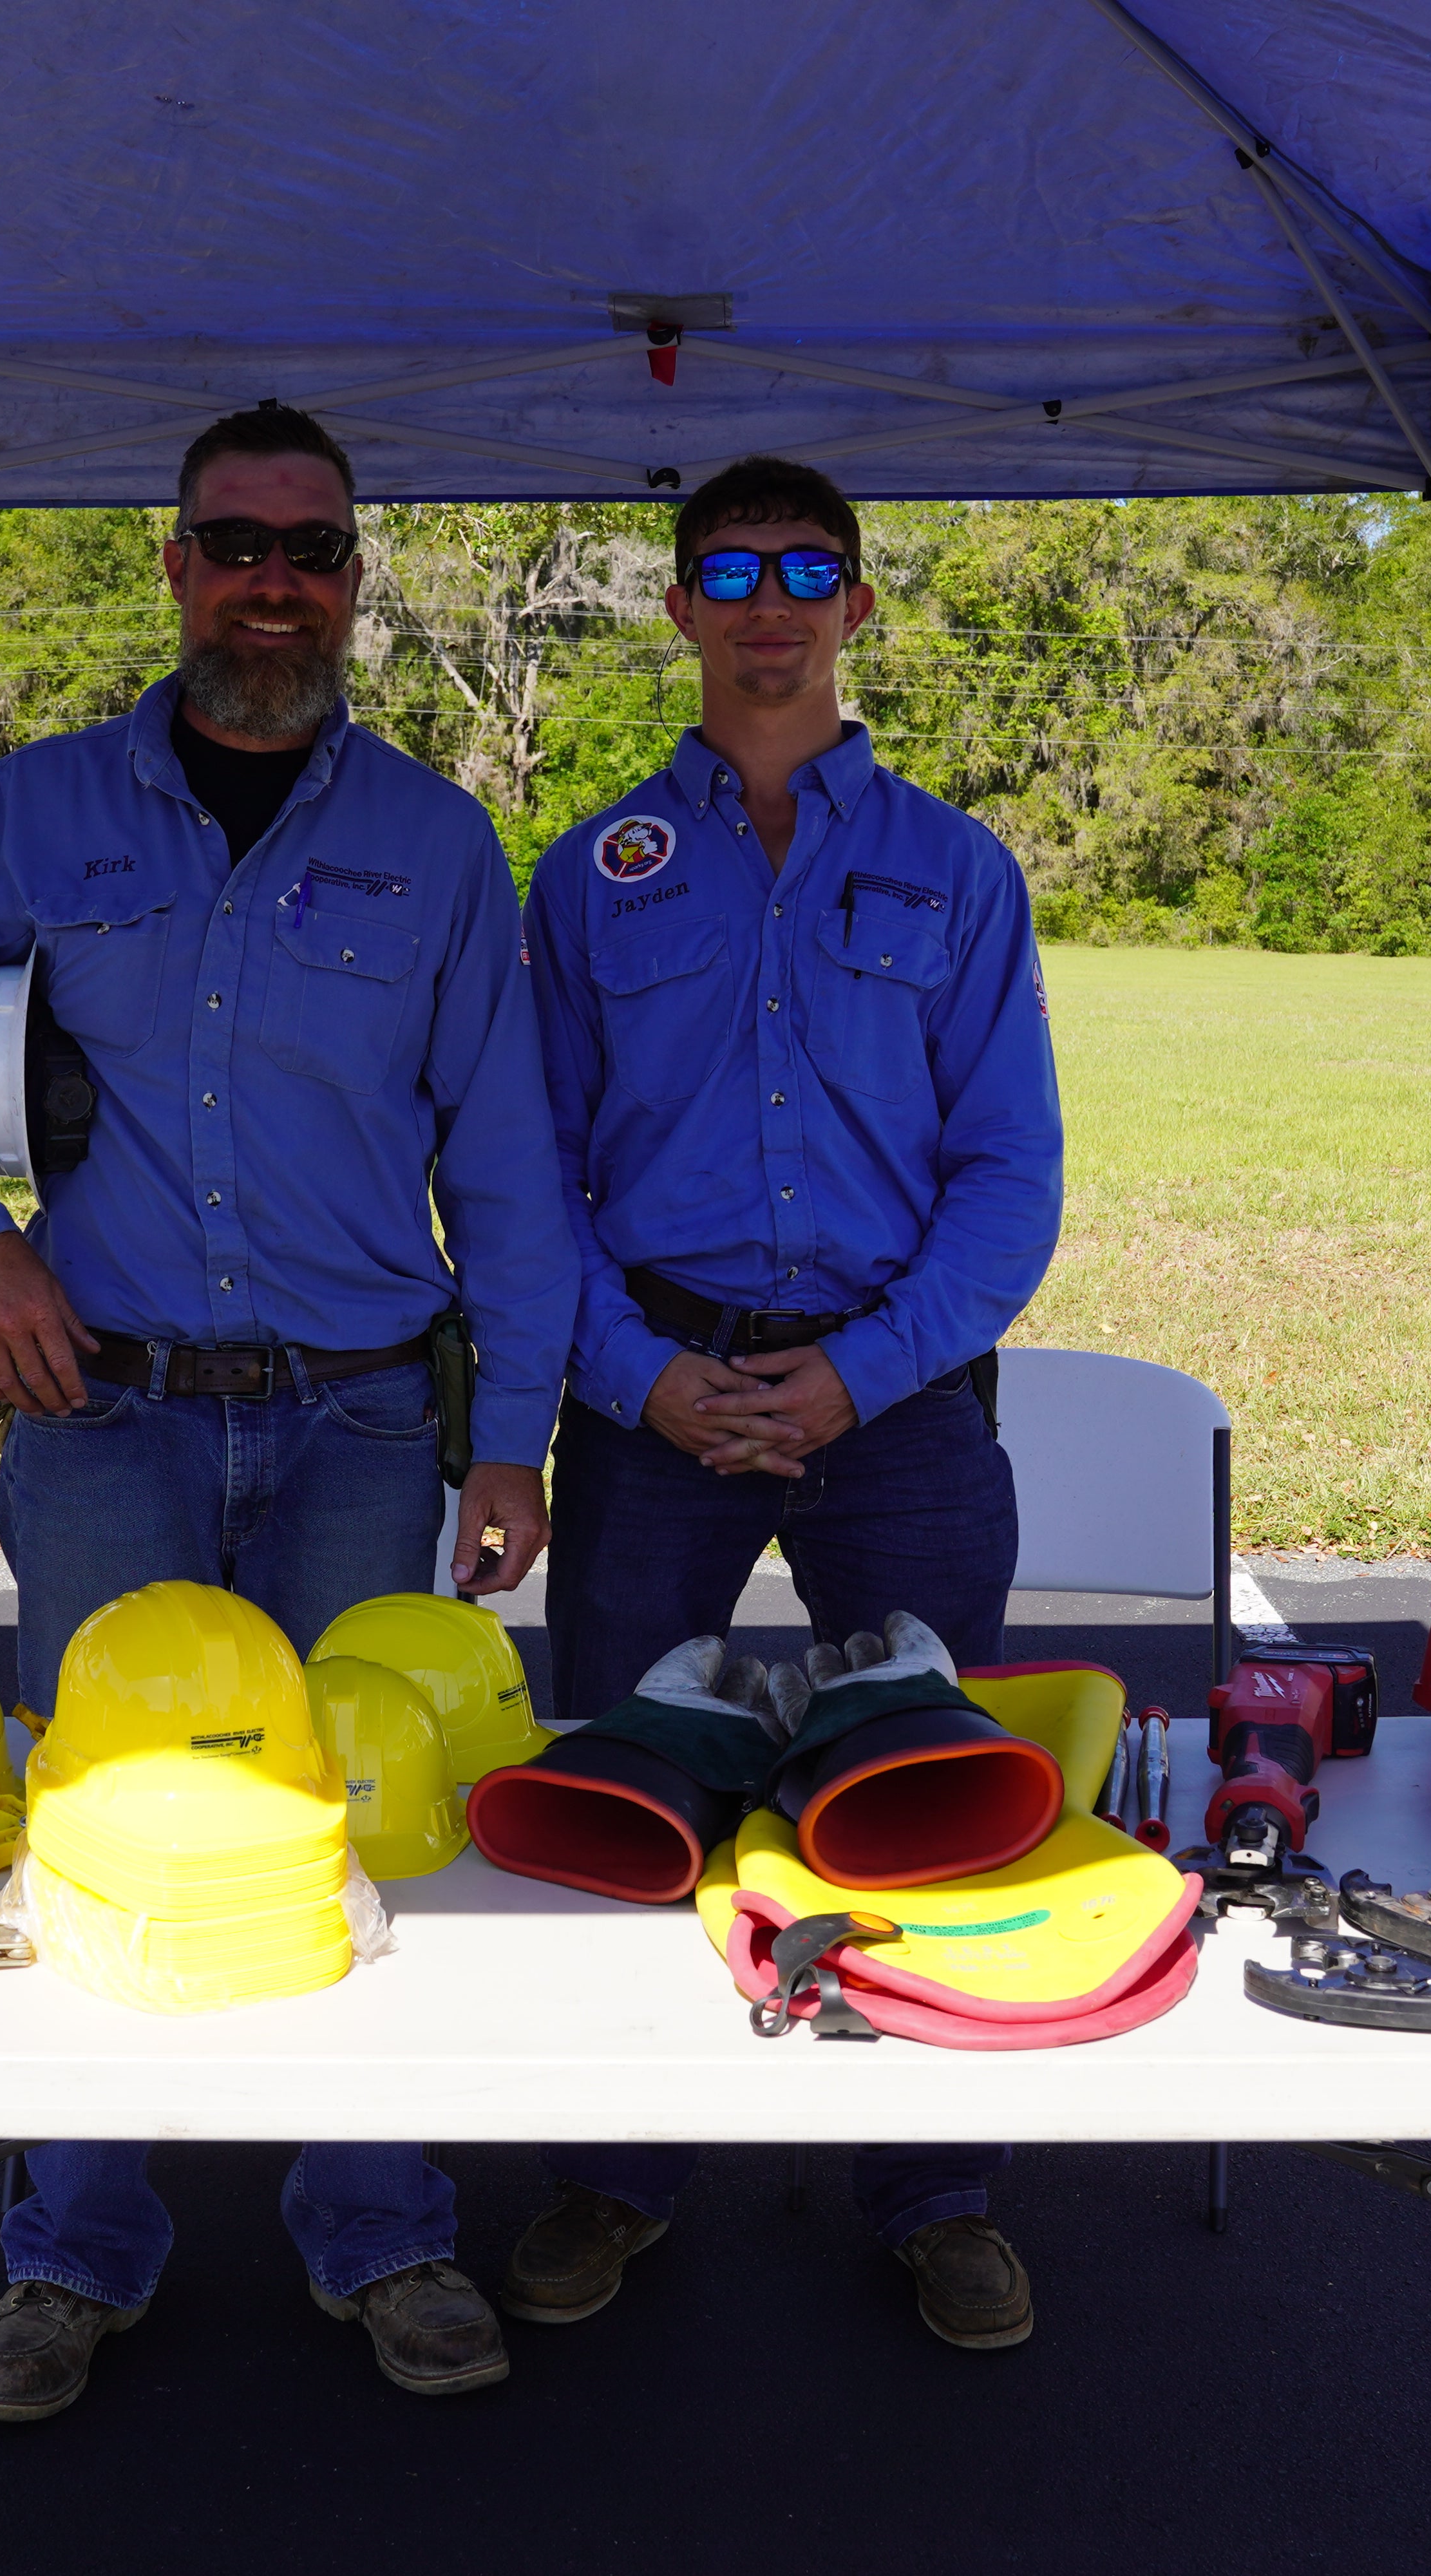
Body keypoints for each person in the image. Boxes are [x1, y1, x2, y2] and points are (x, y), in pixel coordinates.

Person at [0, 402, 574, 2419]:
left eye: (312, 551)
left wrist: (515, 1433)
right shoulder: (40, 815)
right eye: (237, 543)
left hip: (359, 1426)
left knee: (360, 1820)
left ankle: (385, 2227)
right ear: (173, 566)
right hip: (106, 1418)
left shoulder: (432, 846)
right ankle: (73, 2251)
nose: (274, 583)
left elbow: (505, 1161)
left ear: (351, 581)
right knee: (87, 1817)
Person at [506, 456, 1065, 2348]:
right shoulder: (587, 874)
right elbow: (528, 1176)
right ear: (674, 606)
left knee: (922, 1805)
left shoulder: (957, 871)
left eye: (804, 571)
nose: (767, 603)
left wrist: (857, 1375)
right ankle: (616, 2171)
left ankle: (933, 2193)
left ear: (858, 606)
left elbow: (1011, 1183)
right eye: (727, 571)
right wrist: (640, 1377)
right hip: (653, 1397)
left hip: (892, 1403)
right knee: (627, 1800)